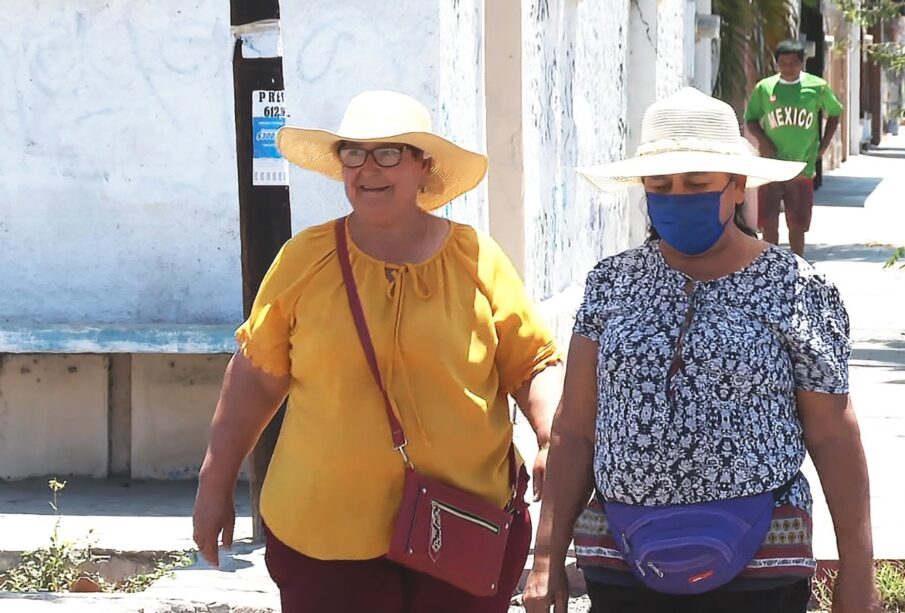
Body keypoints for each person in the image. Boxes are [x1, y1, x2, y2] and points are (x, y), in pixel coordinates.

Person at [191, 90, 563, 613]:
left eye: (389, 152)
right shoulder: (305, 260)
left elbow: (532, 364)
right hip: (323, 532)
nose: (369, 169)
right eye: (354, 154)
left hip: (459, 526)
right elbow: (256, 377)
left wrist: (551, 434)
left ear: (423, 167)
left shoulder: (477, 258)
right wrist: (214, 483)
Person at [524, 87, 879, 613]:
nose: (677, 197)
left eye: (697, 183)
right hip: (621, 559)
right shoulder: (612, 284)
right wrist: (547, 557)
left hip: (761, 563)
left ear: (737, 186)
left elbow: (832, 436)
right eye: (661, 185)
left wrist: (858, 573)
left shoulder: (795, 288)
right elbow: (576, 429)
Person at [745, 39, 844, 257]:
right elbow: (750, 119)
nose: (788, 68)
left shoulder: (817, 87)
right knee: (768, 222)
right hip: (771, 168)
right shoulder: (765, 88)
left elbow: (835, 112)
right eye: (783, 63)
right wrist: (763, 140)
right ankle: (770, 264)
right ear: (776, 63)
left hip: (802, 165)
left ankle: (797, 264)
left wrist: (825, 144)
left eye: (793, 63)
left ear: (802, 63)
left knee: (797, 223)